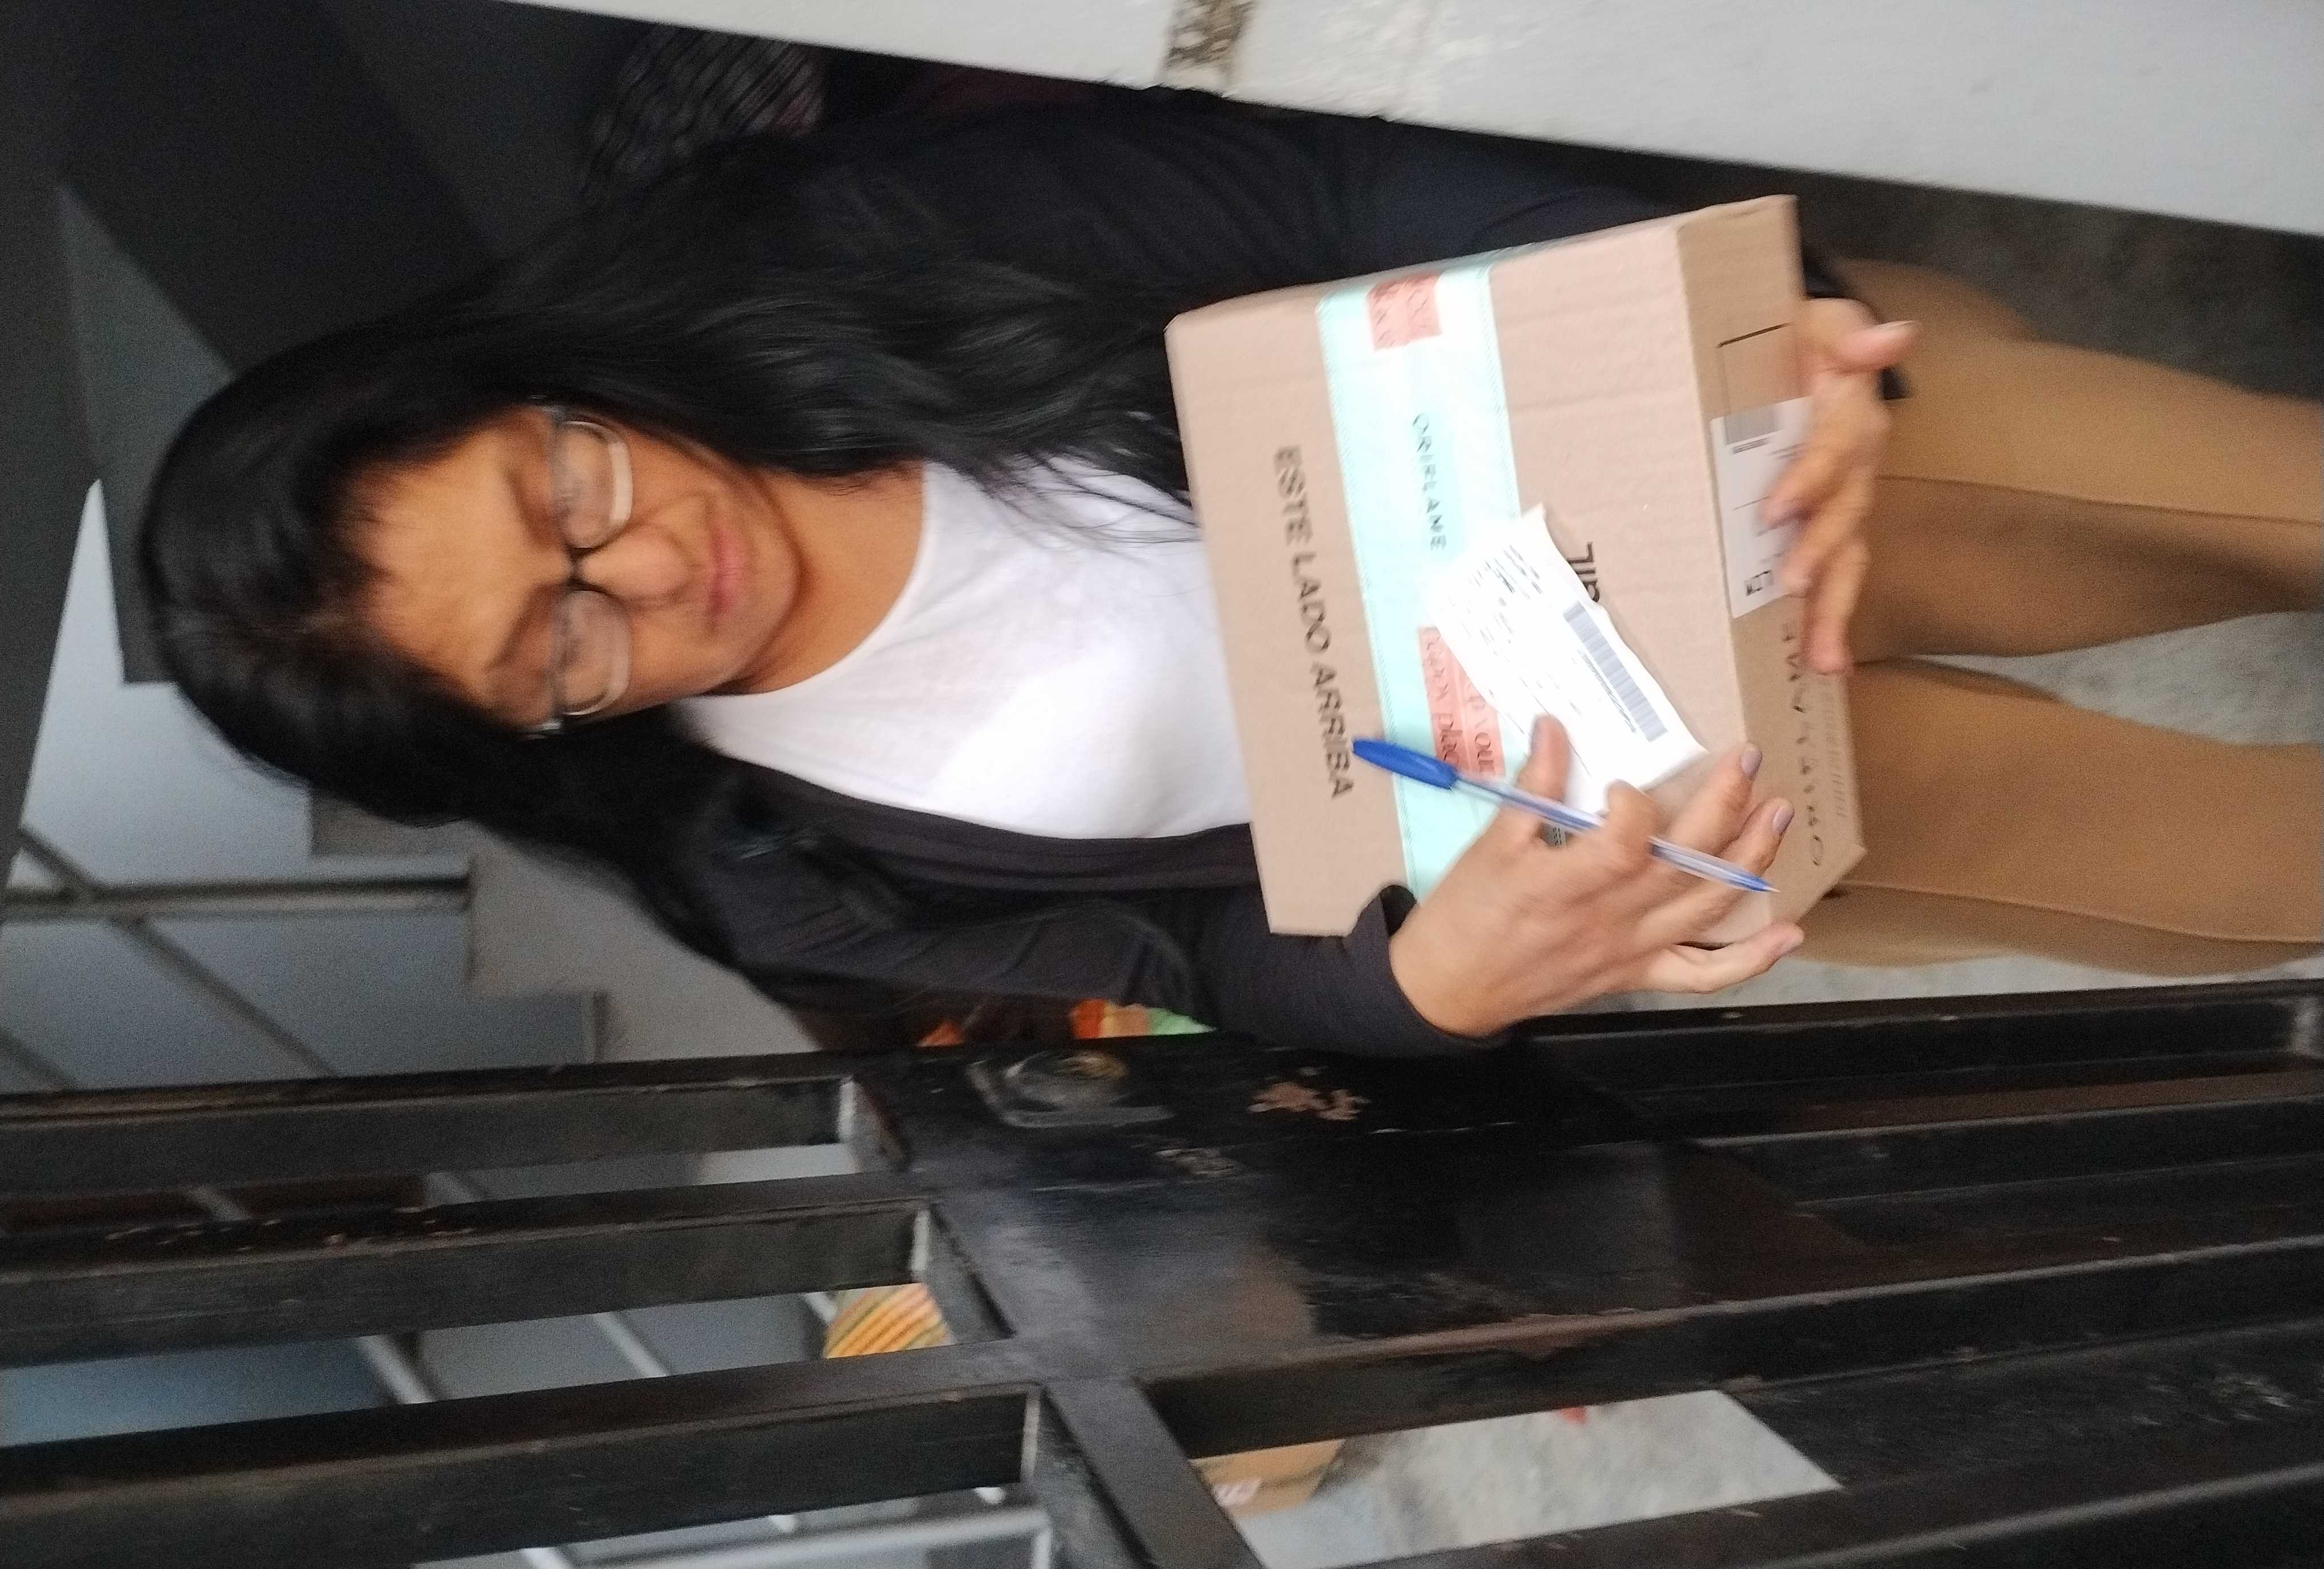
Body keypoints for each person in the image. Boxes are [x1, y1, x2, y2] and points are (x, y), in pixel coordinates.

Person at [138, 95, 2322, 1056]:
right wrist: (1431, 985)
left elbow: (1333, 191)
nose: (648, 563)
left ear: (517, 380)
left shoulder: (819, 258)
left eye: (565, 483)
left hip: (1760, 468)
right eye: (561, 647)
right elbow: (1203, 949)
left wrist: (1781, 323)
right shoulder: (776, 857)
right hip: (1692, 815)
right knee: (2265, 874)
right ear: (530, 743)